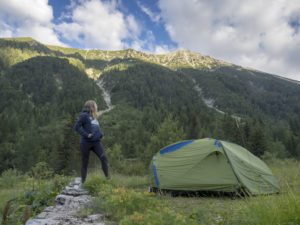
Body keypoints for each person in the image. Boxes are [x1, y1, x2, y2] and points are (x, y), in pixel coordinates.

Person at [74, 100, 109, 183]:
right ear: (91, 107)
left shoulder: (93, 117)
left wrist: (101, 134)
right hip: (86, 142)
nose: (96, 108)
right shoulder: (84, 115)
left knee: (103, 158)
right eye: (95, 106)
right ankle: (83, 182)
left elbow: (95, 128)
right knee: (85, 162)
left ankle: (108, 179)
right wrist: (86, 135)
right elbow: (76, 127)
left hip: (96, 142)